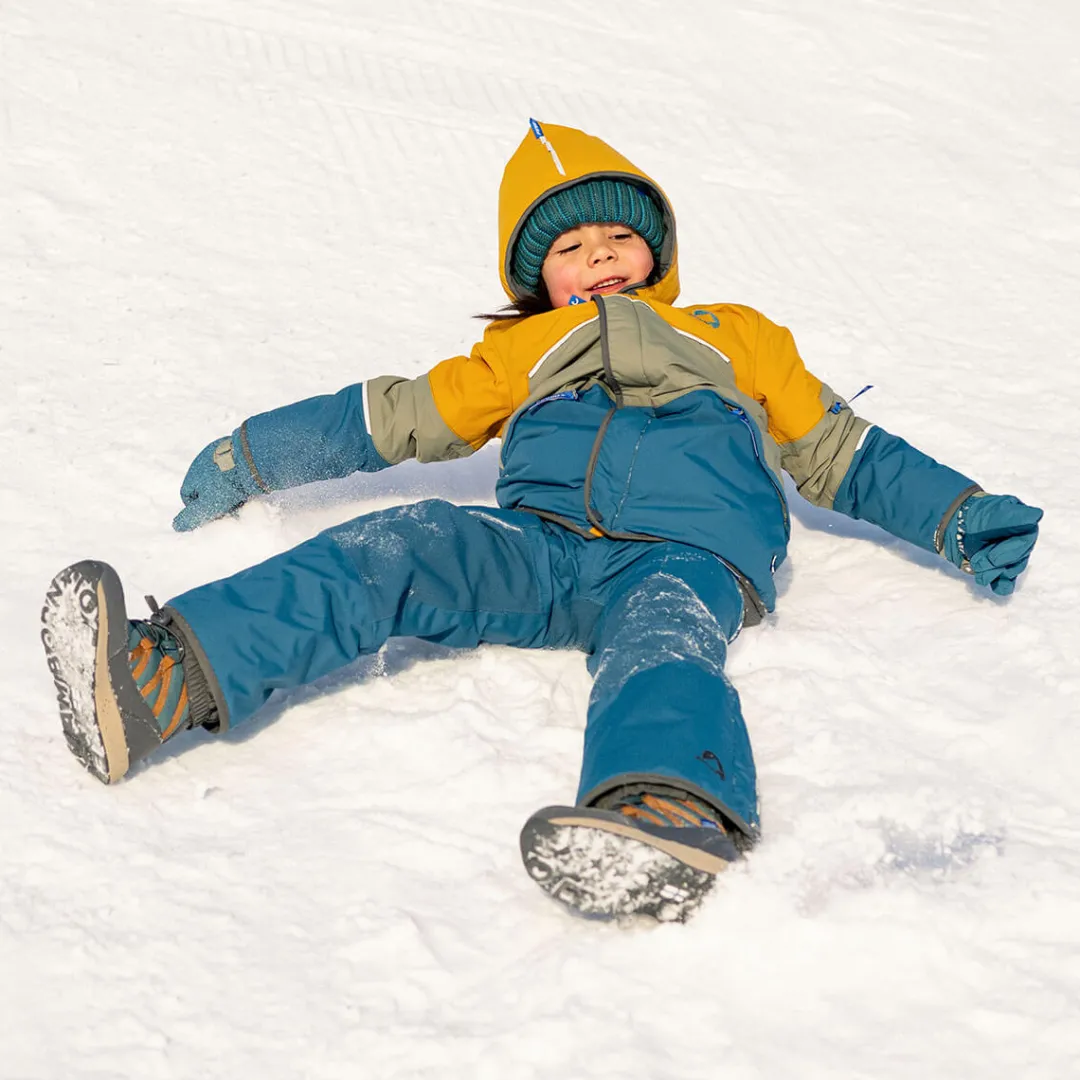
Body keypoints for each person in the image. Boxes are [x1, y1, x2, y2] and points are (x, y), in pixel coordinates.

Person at [41, 121, 1042, 923]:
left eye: (618, 238)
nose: (599, 260)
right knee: (398, 545)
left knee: (665, 651)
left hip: (687, 556)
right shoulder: (524, 352)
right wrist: (255, 452)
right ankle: (164, 677)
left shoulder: (736, 336)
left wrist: (961, 516)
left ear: (660, 250)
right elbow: (395, 416)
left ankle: (667, 811)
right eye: (570, 249)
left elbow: (842, 452)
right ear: (538, 279)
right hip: (544, 548)